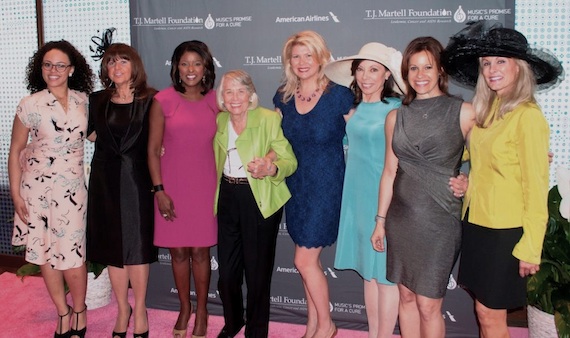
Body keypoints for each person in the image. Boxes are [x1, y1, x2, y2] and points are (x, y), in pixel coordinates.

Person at [442, 20, 563, 337]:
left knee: (489, 313)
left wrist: (530, 246)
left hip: (507, 232)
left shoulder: (529, 116)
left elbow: (536, 187)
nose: (492, 69)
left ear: (520, 67)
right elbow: (479, 159)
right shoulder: (487, 109)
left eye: (501, 61)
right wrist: (467, 181)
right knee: (484, 312)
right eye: (486, 63)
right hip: (477, 222)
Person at [370, 37, 475, 338]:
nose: (420, 75)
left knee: (429, 305)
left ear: (440, 68)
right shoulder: (395, 117)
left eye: (427, 66)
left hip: (439, 220)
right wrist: (380, 222)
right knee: (406, 297)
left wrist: (470, 180)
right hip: (400, 221)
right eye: (413, 68)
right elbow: (389, 172)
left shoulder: (464, 112)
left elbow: (492, 158)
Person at [9, 40, 93, 338]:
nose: (53, 70)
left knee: (73, 257)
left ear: (71, 69)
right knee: (45, 254)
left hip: (72, 192)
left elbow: (103, 134)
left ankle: (80, 309)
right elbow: (15, 150)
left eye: (60, 65)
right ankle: (62, 311)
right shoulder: (29, 104)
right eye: (47, 65)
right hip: (36, 190)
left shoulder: (86, 101)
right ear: (40, 69)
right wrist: (16, 195)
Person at [273, 30, 353, 338]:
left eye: (308, 54)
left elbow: (361, 136)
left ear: (321, 57)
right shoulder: (283, 96)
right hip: (296, 186)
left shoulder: (340, 95)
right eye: (296, 56)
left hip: (327, 184)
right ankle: (313, 326)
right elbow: (277, 142)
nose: (302, 62)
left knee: (303, 259)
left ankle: (328, 326)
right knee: (310, 262)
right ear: (288, 61)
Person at [324, 42, 405, 338]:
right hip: (356, 198)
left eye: (374, 69)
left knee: (384, 276)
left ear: (386, 75)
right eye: (361, 69)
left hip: (384, 200)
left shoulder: (396, 110)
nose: (366, 76)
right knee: (368, 275)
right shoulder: (356, 110)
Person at [214, 69, 297, 338]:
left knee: (258, 273)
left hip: (258, 198)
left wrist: (271, 168)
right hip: (227, 195)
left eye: (241, 91)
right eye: (229, 91)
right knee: (227, 274)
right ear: (222, 97)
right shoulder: (220, 120)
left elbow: (289, 161)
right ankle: (234, 320)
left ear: (251, 95)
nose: (235, 97)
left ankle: (256, 330)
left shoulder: (268, 119)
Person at [86, 43, 157, 338]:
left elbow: (160, 140)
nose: (116, 67)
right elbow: (88, 134)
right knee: (114, 249)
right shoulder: (97, 99)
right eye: (110, 62)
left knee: (137, 248)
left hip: (137, 181)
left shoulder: (151, 99)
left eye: (123, 61)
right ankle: (122, 309)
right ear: (105, 69)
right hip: (105, 180)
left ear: (134, 66)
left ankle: (139, 310)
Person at [147, 40, 217, 338]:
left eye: (197, 63)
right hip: (172, 185)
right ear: (176, 67)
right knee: (177, 252)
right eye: (185, 63)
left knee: (201, 252)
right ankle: (184, 307)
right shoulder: (162, 100)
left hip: (205, 186)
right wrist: (159, 190)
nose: (190, 70)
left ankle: (202, 310)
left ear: (206, 68)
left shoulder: (217, 99)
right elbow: (151, 150)